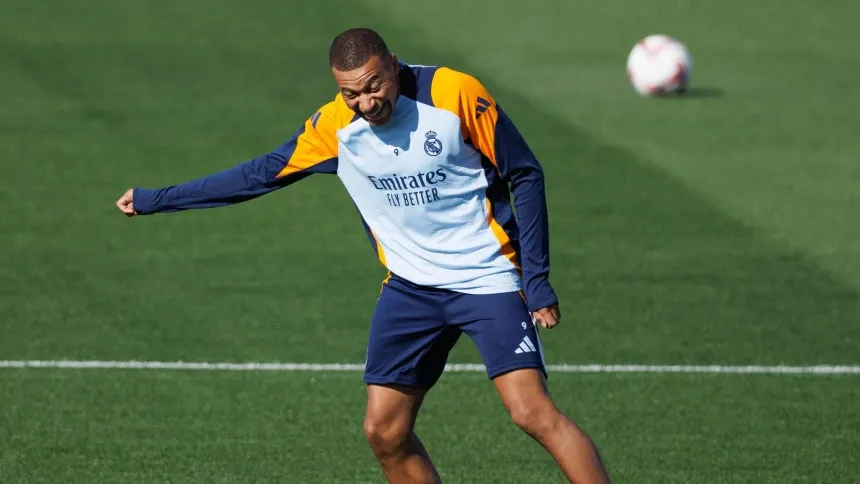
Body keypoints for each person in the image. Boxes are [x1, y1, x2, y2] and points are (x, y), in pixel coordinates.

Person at [115, 27, 611, 484]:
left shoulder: (454, 93)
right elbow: (256, 176)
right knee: (384, 431)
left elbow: (524, 172)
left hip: (488, 278)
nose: (366, 103)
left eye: (374, 85)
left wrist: (538, 279)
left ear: (393, 65)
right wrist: (157, 198)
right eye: (351, 93)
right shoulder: (335, 127)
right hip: (411, 288)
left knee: (531, 413)